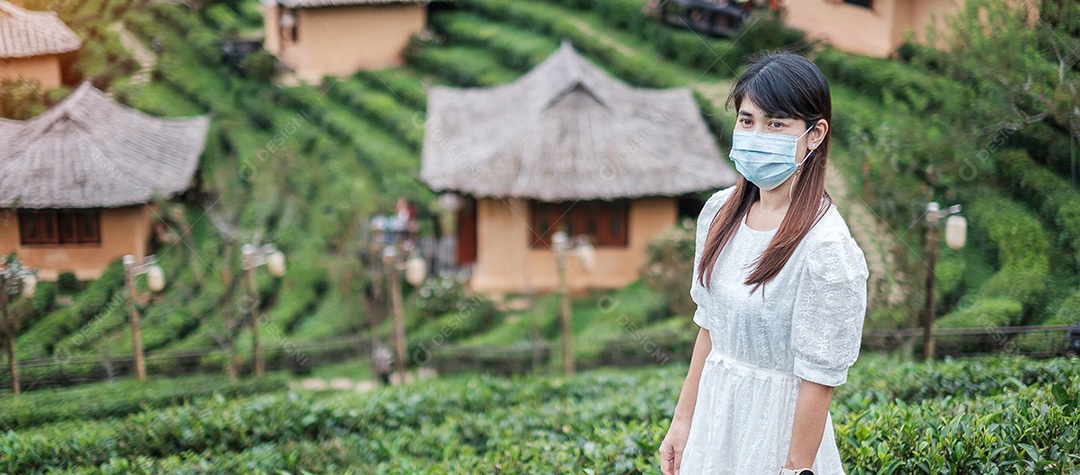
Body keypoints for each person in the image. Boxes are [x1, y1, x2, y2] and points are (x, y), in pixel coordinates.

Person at [658, 52, 869, 475]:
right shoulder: (720, 213)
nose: (756, 134)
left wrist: (795, 469)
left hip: (776, 433)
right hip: (715, 424)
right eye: (747, 120)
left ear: (814, 134)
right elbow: (710, 328)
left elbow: (818, 378)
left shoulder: (826, 247)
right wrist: (683, 422)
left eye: (776, 124)